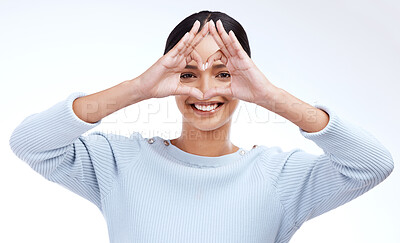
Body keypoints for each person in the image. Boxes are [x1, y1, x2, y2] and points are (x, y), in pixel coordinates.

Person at [9, 10, 394, 243]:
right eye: (188, 73)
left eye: (224, 73)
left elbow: (372, 164)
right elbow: (31, 143)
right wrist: (138, 89)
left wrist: (270, 95)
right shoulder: (118, 162)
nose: (206, 90)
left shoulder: (281, 177)